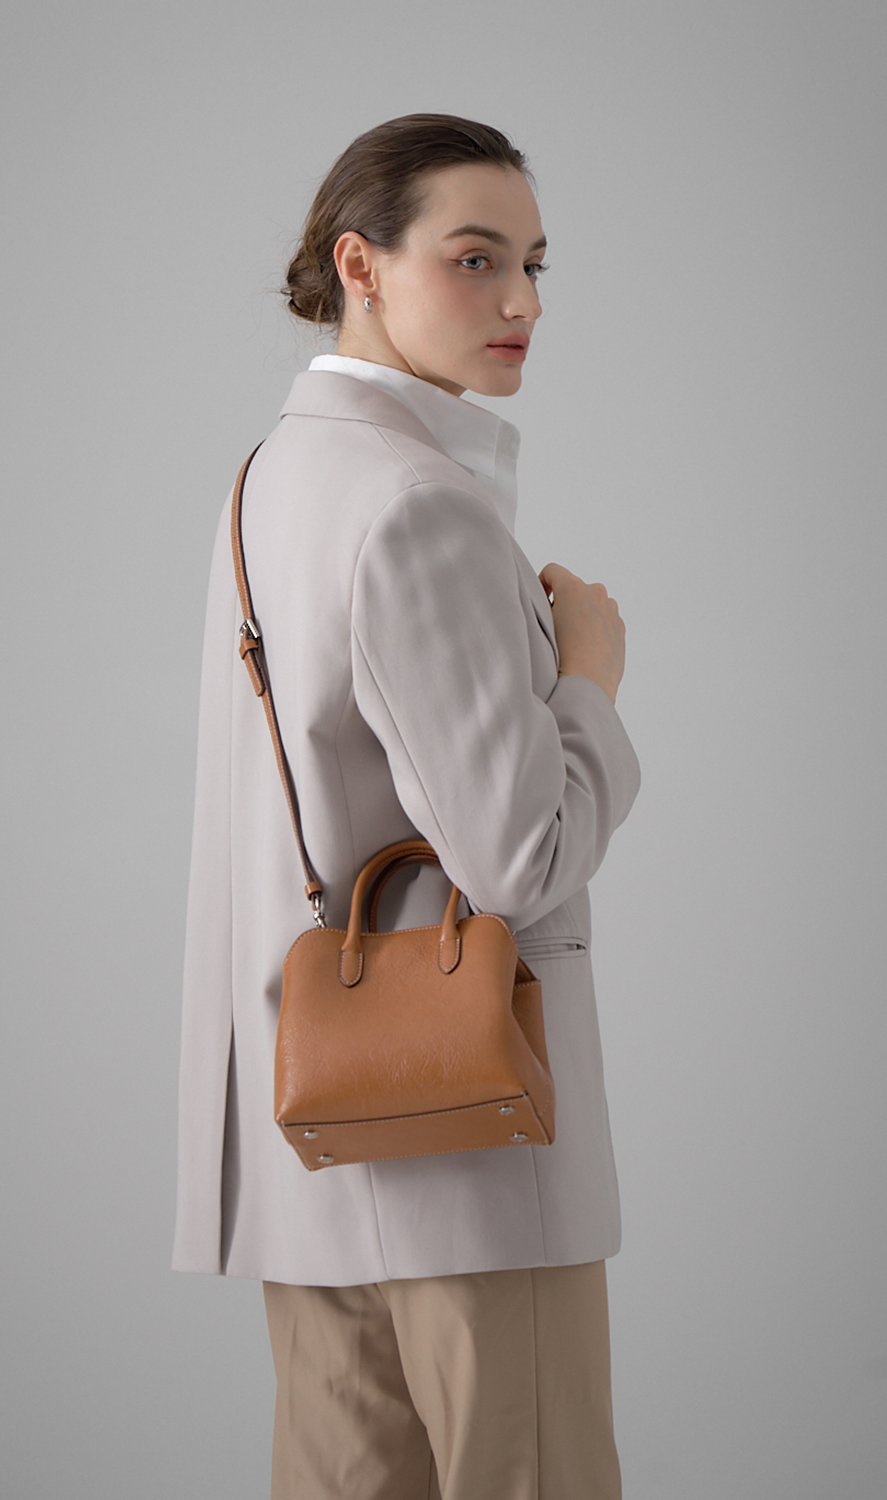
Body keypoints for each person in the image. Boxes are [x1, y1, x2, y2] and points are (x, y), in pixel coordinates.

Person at [173, 114, 641, 1500]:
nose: (522, 302)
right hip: (469, 1139)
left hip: (316, 1138)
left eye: (536, 264)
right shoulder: (420, 503)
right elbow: (522, 856)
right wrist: (591, 683)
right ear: (359, 264)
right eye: (476, 258)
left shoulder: (269, 480)